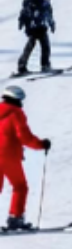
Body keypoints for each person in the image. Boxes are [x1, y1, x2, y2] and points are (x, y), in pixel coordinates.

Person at [0, 83, 50, 233]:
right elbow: (24, 137)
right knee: (20, 186)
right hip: (8, 155)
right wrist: (41, 144)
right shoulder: (16, 113)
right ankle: (15, 218)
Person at [16, 0, 54, 76]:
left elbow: (48, 12)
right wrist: (22, 20)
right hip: (34, 25)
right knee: (38, 45)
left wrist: (51, 23)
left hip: (39, 25)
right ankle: (26, 66)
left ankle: (25, 65)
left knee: (40, 46)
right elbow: (25, 10)